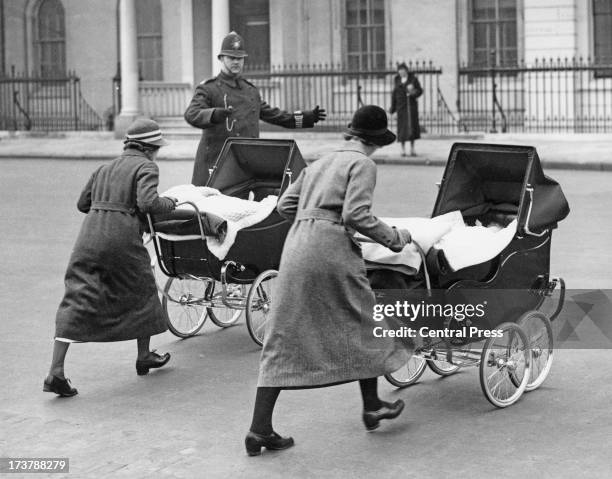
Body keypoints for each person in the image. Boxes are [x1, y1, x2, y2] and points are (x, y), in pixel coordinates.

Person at [245, 105, 413, 456]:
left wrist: (315, 218)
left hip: (296, 248)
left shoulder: (320, 161)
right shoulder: (363, 164)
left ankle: (259, 428)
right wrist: (395, 237)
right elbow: (357, 214)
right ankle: (371, 407)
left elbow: (283, 207)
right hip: (329, 251)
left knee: (283, 333)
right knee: (366, 320)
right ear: (377, 141)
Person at [43, 119, 178, 397]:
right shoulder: (146, 167)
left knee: (76, 299)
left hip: (89, 238)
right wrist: (170, 204)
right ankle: (144, 356)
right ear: (149, 148)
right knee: (143, 291)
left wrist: (105, 209)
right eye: (157, 148)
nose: (157, 153)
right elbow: (148, 203)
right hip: (121, 240)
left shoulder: (104, 168)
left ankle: (55, 372)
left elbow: (83, 203)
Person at [184, 31, 327, 186]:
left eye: (240, 58)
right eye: (231, 58)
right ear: (221, 59)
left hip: (244, 165)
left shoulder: (250, 90)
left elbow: (274, 115)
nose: (236, 62)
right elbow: (191, 114)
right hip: (216, 165)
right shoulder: (209, 88)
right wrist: (213, 115)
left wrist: (305, 118)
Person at [390, 63, 422, 157]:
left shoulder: (413, 79)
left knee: (412, 127)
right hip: (401, 107)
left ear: (406, 71)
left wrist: (412, 93)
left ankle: (412, 149)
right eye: (400, 71)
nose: (401, 73)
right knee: (402, 129)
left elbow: (420, 91)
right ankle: (403, 149)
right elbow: (394, 95)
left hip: (411, 107)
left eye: (403, 71)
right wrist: (393, 108)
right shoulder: (397, 80)